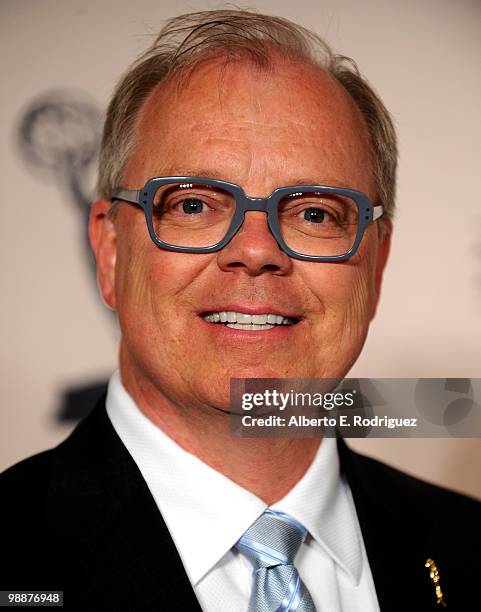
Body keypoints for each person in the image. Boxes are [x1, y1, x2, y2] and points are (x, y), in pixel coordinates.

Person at [1, 9, 480, 612]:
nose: (255, 251)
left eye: (314, 214)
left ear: (377, 264)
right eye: (195, 204)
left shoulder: (469, 546)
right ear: (111, 250)